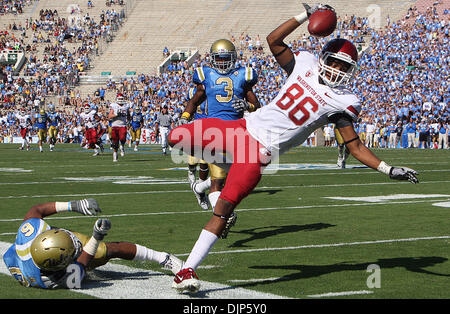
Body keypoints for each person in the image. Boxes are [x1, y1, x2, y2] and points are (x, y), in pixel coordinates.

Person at [168, 3, 419, 293]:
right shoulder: (305, 63)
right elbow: (273, 40)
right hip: (241, 130)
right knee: (176, 136)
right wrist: (305, 16)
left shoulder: (343, 100)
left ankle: (186, 270)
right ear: (324, 58)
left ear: (352, 71)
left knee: (223, 211)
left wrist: (387, 168)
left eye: (344, 66)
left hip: (257, 154)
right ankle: (219, 168)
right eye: (334, 62)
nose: (336, 69)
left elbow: (355, 145)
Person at [2, 199, 184, 289]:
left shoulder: (30, 233)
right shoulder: (55, 279)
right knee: (106, 251)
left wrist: (73, 205)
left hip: (37, 254)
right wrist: (97, 237)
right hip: (50, 268)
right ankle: (164, 258)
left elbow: (36, 210)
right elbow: (81, 263)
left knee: (77, 244)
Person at [179, 38, 260, 232]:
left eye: (226, 58)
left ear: (233, 58)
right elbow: (195, 99)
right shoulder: (205, 75)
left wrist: (247, 106)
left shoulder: (243, 75)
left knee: (236, 173)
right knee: (218, 180)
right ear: (213, 59)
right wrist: (185, 116)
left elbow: (257, 105)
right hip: (213, 130)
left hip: (237, 131)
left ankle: (199, 188)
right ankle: (222, 217)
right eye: (219, 58)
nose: (223, 62)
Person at [108, 93, 130, 162]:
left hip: (122, 125)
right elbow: (109, 117)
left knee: (123, 138)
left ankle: (122, 146)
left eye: (122, 99)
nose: (121, 100)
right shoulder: (114, 106)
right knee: (115, 142)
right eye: (119, 99)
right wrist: (116, 115)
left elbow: (128, 115)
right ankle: (115, 154)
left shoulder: (126, 106)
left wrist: (129, 121)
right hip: (115, 125)